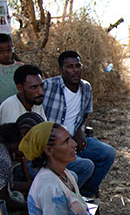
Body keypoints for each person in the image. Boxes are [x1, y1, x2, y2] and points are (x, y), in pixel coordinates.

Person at [42, 51, 116, 197]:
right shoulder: (49, 86)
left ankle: (86, 194)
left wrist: (79, 131)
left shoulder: (86, 87)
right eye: (70, 67)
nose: (75, 70)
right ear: (60, 70)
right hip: (54, 144)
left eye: (78, 66)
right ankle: (67, 195)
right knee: (86, 165)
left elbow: (85, 113)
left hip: (74, 139)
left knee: (108, 153)